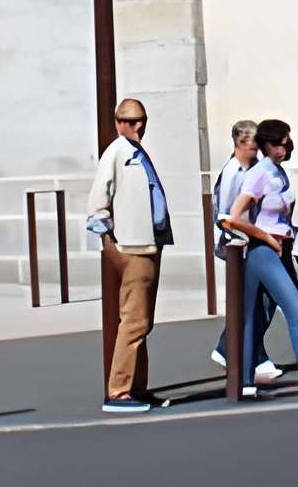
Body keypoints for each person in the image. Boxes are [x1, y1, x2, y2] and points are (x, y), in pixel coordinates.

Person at [222, 120, 298, 400]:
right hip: (265, 250)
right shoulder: (260, 173)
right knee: (297, 311)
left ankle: (244, 378)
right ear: (265, 146)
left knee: (256, 315)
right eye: (278, 143)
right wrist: (265, 236)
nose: (285, 147)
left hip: (280, 247)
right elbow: (232, 218)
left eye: (286, 141)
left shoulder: (279, 172)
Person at [88, 97, 175, 413]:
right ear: (118, 122)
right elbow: (97, 207)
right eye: (130, 120)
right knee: (133, 322)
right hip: (133, 248)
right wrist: (114, 248)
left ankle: (137, 387)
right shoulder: (116, 153)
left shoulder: (136, 152)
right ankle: (120, 390)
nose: (137, 126)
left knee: (143, 323)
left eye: (141, 120)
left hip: (150, 245)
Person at [208, 120, 285, 384]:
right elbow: (227, 214)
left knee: (257, 301)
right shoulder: (234, 173)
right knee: (254, 301)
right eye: (254, 144)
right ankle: (234, 351)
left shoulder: (250, 169)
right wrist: (239, 241)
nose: (259, 150)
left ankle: (239, 351)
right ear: (241, 144)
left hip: (250, 241)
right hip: (240, 245)